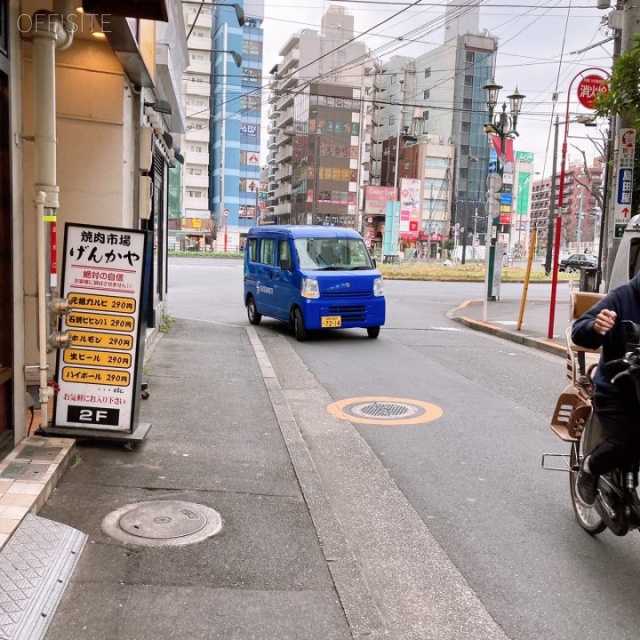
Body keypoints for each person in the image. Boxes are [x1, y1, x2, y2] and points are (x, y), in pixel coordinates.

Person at [571, 271, 640, 506]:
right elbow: (579, 331)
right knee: (627, 441)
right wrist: (597, 327)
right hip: (616, 391)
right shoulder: (622, 297)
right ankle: (591, 467)